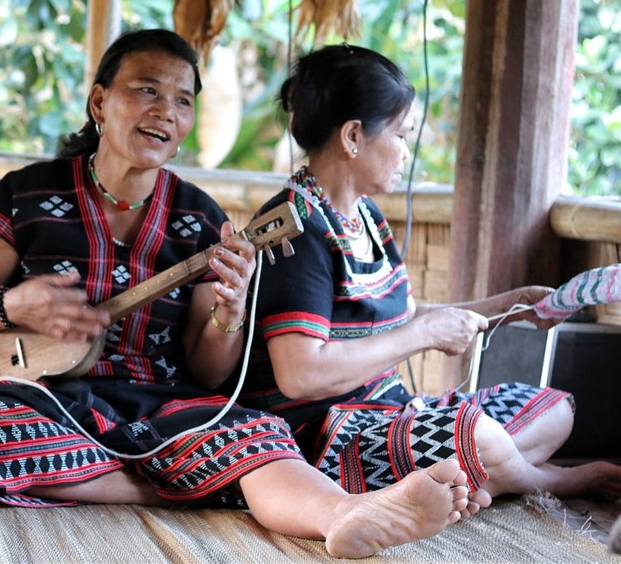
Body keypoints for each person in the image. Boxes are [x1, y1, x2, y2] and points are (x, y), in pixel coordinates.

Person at [0, 28, 474, 559]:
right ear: (100, 101)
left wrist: (228, 311)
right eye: (147, 90)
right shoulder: (28, 192)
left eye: (183, 100)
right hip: (47, 394)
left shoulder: (199, 218)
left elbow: (212, 371)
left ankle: (346, 515)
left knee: (256, 434)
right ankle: (184, 485)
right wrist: (15, 305)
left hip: (164, 403)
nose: (166, 111)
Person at [240, 44, 621, 506]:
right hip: (328, 440)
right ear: (353, 136)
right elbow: (301, 376)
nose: (405, 153)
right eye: (400, 135)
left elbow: (406, 315)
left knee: (554, 410)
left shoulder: (366, 217)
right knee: (481, 436)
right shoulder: (296, 230)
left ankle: (475, 478)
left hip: (396, 413)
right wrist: (421, 335)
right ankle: (544, 481)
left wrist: (508, 305)